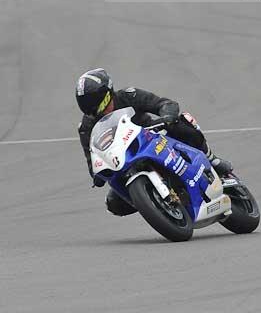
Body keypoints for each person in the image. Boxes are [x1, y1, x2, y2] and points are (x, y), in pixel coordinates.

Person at [75, 69, 234, 216]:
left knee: (180, 122)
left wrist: (167, 117)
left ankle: (211, 158)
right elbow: (93, 161)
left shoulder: (129, 96)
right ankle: (158, 204)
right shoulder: (86, 128)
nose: (100, 112)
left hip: (152, 137)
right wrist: (98, 174)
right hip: (125, 159)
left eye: (102, 105)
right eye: (92, 111)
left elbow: (165, 104)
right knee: (113, 204)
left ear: (110, 93)